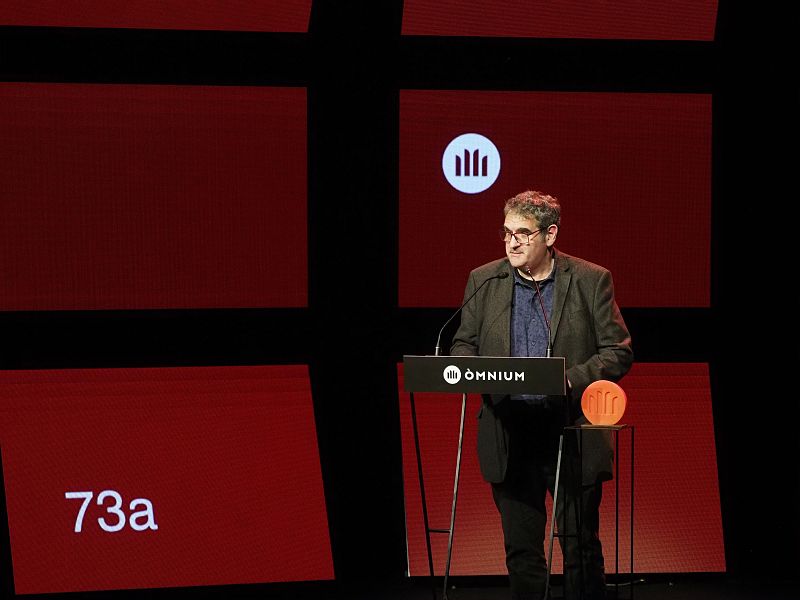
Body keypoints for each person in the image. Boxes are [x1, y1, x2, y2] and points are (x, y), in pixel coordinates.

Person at [450, 190, 633, 600]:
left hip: (569, 430)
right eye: (506, 232)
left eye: (522, 233)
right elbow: (463, 345)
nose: (511, 243)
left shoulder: (590, 280)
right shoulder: (484, 280)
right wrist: (475, 371)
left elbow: (618, 351)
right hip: (509, 432)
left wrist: (568, 380)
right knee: (521, 550)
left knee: (579, 544)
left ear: (549, 235)